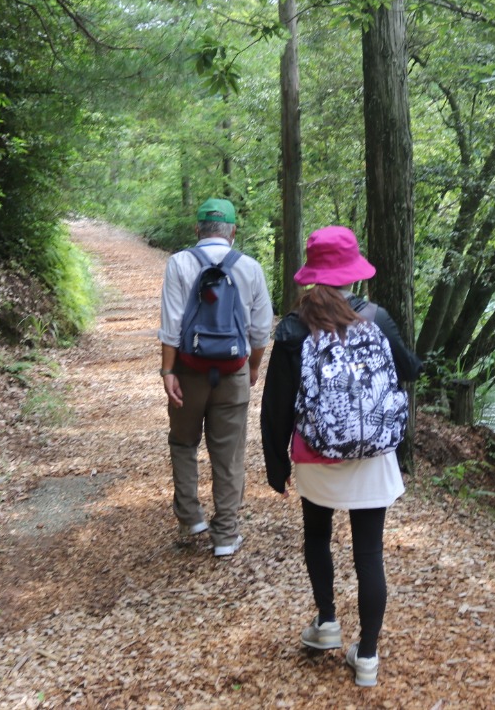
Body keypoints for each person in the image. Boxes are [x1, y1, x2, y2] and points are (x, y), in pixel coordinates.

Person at [260, 225, 421, 687]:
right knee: (369, 553)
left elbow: (276, 406)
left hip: (317, 455)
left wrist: (276, 466)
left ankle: (327, 622)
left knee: (317, 536)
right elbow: (409, 369)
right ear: (353, 273)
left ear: (312, 275)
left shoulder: (293, 327)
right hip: (373, 453)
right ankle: (366, 656)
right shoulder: (377, 317)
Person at [158, 198, 273, 557]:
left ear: (197, 230)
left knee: (183, 442)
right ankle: (225, 535)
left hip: (188, 370)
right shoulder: (250, 267)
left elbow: (171, 324)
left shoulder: (179, 263)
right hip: (233, 371)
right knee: (228, 454)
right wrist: (252, 367)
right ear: (233, 232)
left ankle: (190, 516)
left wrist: (167, 371)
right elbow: (261, 330)